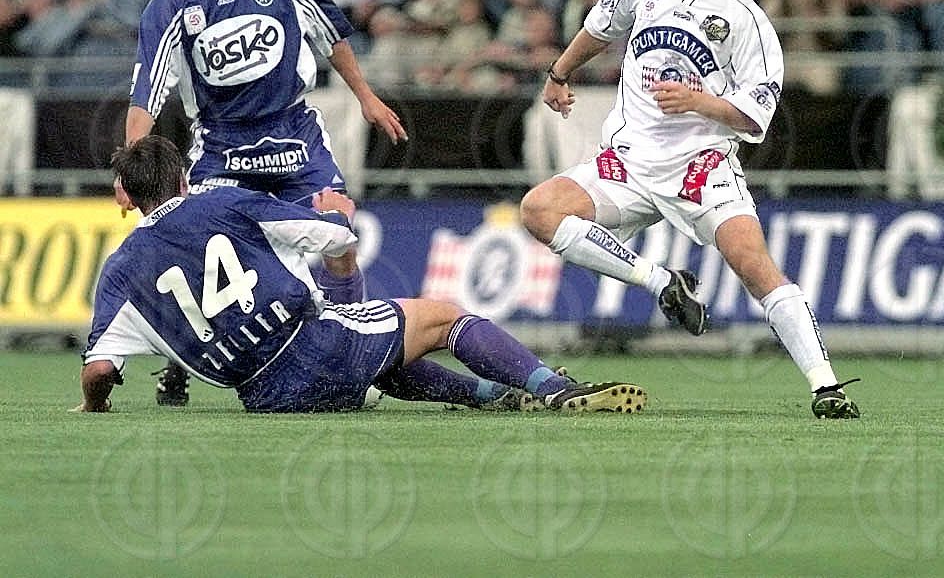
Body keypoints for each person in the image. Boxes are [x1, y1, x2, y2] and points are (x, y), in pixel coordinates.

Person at [519, 0, 860, 420]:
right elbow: (601, 26)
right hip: (628, 162)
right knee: (539, 210)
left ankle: (827, 387)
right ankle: (662, 282)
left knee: (755, 266)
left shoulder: (747, 22)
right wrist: (559, 72)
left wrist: (701, 101)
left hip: (700, 168)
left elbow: (755, 114)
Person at [78, 137, 645, 414]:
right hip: (313, 345)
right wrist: (336, 215)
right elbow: (332, 240)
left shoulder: (119, 270)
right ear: (183, 179)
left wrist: (95, 405)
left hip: (267, 398)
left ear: (125, 195)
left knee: (383, 354)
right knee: (442, 318)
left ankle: (494, 395)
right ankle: (553, 390)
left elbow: (99, 369)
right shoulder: (220, 202)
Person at [126, 0, 407, 406]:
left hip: (294, 135)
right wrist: (131, 169)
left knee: (341, 239)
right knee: (197, 250)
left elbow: (331, 34)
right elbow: (146, 98)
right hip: (222, 147)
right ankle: (180, 364)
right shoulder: (169, 7)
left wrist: (366, 97)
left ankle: (355, 357)